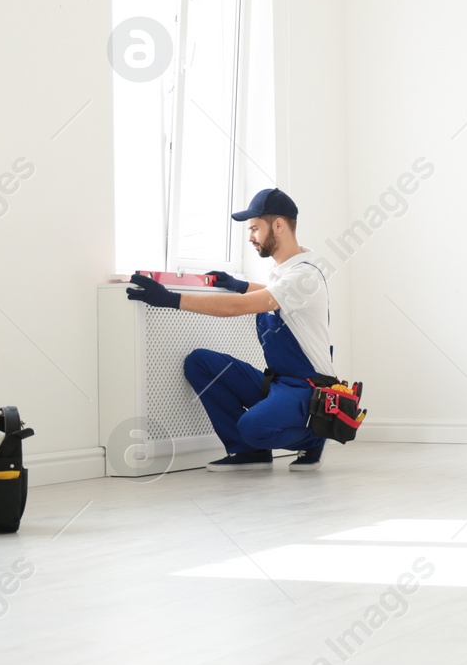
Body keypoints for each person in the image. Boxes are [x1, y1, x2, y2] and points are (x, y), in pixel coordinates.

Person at [125, 187, 334, 471]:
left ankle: (316, 433)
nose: (250, 237)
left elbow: (239, 307)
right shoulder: (284, 275)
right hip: (280, 385)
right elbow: (274, 295)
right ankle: (248, 452)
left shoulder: (303, 275)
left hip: (309, 391)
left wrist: (171, 300)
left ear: (279, 225)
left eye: (255, 229)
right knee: (200, 363)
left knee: (253, 425)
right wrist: (239, 285)